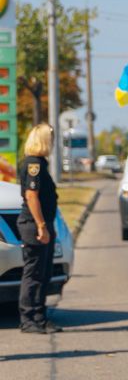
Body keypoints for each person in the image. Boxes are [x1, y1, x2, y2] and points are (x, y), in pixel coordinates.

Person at [17, 124, 61, 334]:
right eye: (50, 138)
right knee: (33, 273)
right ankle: (28, 319)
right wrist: (42, 226)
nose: (53, 143)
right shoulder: (33, 164)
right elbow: (31, 196)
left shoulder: (40, 163)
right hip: (34, 226)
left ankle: (40, 316)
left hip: (43, 225)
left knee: (44, 273)